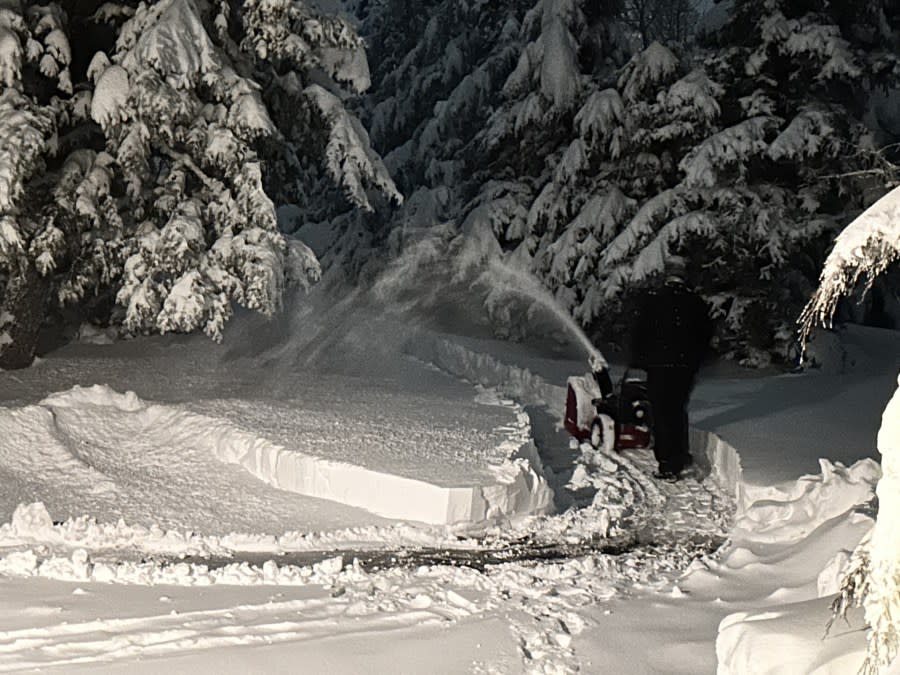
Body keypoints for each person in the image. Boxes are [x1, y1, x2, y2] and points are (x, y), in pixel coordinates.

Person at [628, 256, 713, 480]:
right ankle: (681, 454)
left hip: (658, 366)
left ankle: (667, 463)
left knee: (661, 412)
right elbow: (705, 336)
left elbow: (639, 333)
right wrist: (695, 361)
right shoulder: (695, 302)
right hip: (684, 367)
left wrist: (639, 360)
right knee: (677, 410)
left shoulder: (653, 300)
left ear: (667, 274)